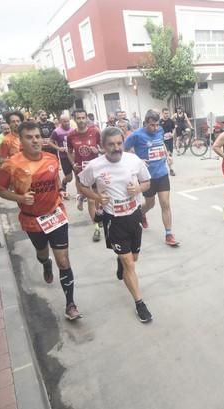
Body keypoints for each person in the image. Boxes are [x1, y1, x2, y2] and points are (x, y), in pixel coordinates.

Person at [0, 121, 80, 320]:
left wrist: (59, 191)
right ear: (21, 140)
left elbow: (55, 180)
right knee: (42, 252)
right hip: (32, 220)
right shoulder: (11, 164)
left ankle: (70, 304)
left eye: (37, 136)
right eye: (29, 137)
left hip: (55, 214)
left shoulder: (51, 157)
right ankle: (45, 263)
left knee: (64, 260)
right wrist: (20, 198)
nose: (35, 141)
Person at [77, 127, 153, 323]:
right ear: (103, 146)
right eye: (111, 144)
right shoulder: (95, 166)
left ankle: (121, 260)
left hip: (134, 216)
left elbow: (147, 182)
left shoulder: (133, 160)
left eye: (119, 143)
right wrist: (95, 196)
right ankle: (139, 303)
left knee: (132, 259)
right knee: (130, 264)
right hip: (114, 220)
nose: (116, 148)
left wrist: (138, 188)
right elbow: (81, 184)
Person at [124, 109, 179, 247]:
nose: (155, 128)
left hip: (162, 173)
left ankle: (168, 234)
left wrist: (168, 156)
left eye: (156, 125)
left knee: (165, 203)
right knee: (150, 204)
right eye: (151, 125)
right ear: (145, 123)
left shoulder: (160, 131)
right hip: (147, 177)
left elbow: (161, 144)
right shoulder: (136, 135)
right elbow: (124, 149)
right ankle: (141, 213)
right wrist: (138, 160)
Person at [67, 109, 103, 242]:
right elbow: (69, 151)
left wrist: (98, 150)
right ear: (75, 119)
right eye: (78, 118)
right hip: (82, 172)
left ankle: (98, 214)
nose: (81, 120)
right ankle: (97, 227)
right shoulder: (71, 135)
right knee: (92, 200)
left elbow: (104, 148)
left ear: (87, 118)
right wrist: (73, 163)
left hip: (97, 171)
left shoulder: (95, 132)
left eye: (83, 118)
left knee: (99, 198)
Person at [49, 113, 74, 199]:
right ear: (60, 122)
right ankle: (63, 185)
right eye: (64, 121)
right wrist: (58, 148)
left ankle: (80, 194)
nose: (67, 123)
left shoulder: (73, 130)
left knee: (79, 176)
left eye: (68, 121)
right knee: (69, 177)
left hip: (73, 156)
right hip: (64, 157)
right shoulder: (56, 131)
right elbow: (50, 142)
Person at [159, 108, 177, 176]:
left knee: (170, 155)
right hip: (163, 141)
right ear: (162, 113)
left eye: (167, 113)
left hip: (170, 140)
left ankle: (169, 167)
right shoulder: (160, 122)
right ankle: (171, 169)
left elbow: (174, 128)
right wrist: (162, 136)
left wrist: (172, 134)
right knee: (168, 154)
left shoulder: (171, 121)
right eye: (165, 113)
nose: (167, 115)